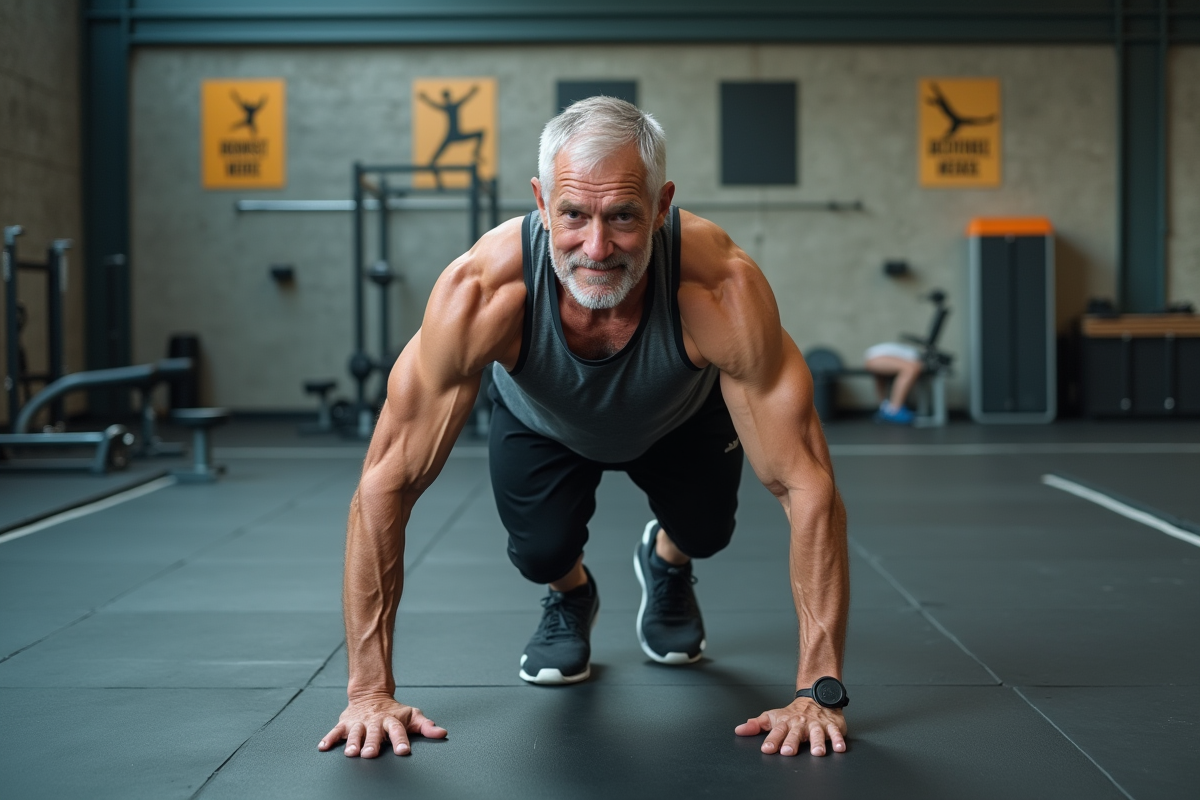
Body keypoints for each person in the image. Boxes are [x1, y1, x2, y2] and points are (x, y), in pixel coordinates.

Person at [318, 97, 850, 761]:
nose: (596, 248)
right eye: (574, 215)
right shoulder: (483, 291)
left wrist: (818, 691)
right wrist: (369, 690)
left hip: (681, 417)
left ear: (661, 207)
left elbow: (809, 485)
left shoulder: (718, 289)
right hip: (544, 422)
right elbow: (382, 485)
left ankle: (667, 561)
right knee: (540, 552)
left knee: (709, 532)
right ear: (542, 203)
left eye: (624, 216)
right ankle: (572, 594)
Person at [863, 342, 923, 424]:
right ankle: (895, 409)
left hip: (872, 358)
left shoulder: (906, 353)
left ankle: (884, 408)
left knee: (881, 375)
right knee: (911, 369)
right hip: (876, 359)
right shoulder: (914, 357)